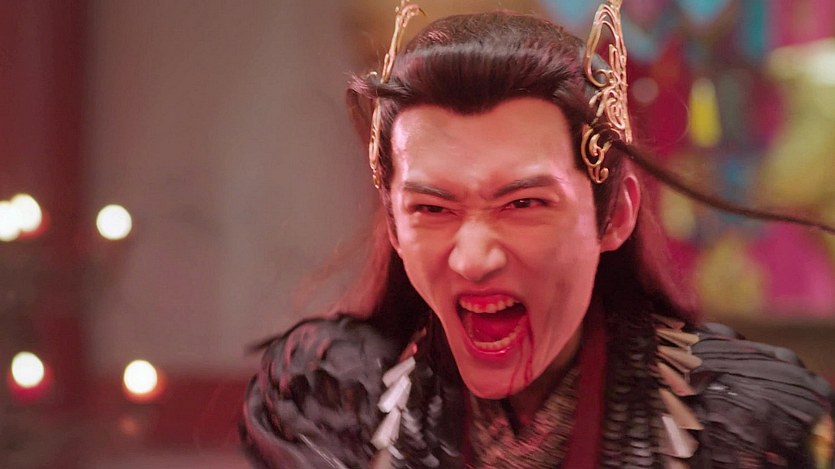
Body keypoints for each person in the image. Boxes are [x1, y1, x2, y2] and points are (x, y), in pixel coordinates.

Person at [241, 1, 835, 467]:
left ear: (615, 215)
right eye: (432, 208)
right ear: (394, 224)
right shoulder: (329, 403)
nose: (474, 259)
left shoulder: (753, 424)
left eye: (523, 203)